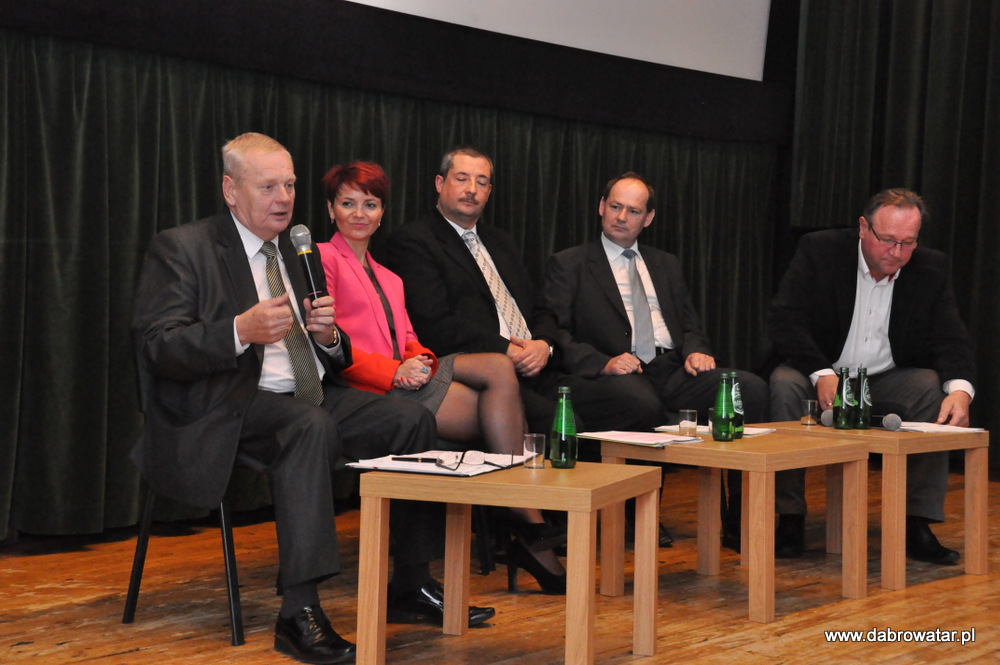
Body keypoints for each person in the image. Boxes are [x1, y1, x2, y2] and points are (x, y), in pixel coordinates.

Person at [131, 133, 493, 665]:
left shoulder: (297, 251)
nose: (283, 199)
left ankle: (410, 584)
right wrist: (238, 330)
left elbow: (332, 351)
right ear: (230, 190)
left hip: (308, 394)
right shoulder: (184, 247)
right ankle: (298, 612)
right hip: (228, 402)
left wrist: (328, 338)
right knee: (308, 426)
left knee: (410, 420)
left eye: (290, 185)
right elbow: (157, 346)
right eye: (268, 187)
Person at [386, 148, 671, 546]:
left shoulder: (500, 241)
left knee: (635, 402)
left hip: (539, 367)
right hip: (485, 376)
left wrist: (544, 344)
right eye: (462, 179)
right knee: (564, 422)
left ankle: (627, 516)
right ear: (440, 183)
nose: (471, 190)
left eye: (482, 182)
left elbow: (540, 309)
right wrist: (507, 351)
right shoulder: (413, 241)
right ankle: (555, 527)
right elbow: (436, 323)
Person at [316, 160, 566, 593]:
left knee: (499, 370)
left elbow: (410, 338)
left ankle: (523, 518)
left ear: (382, 212)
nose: (360, 214)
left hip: (409, 376)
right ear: (330, 210)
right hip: (366, 387)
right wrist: (396, 371)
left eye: (370, 205)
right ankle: (527, 520)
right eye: (348, 204)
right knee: (501, 407)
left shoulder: (389, 276)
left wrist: (420, 361)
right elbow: (331, 344)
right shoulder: (323, 259)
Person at [539, 172, 769, 547]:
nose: (621, 217)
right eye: (615, 206)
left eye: (633, 211)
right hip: (615, 371)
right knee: (641, 403)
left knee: (748, 389)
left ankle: (742, 521)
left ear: (648, 218)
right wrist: (602, 362)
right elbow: (555, 332)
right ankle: (641, 514)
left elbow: (690, 324)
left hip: (671, 368)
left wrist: (696, 350)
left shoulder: (666, 264)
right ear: (601, 207)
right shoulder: (570, 263)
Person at [768, 188, 976, 564]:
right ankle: (790, 517)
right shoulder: (821, 250)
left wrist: (960, 390)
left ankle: (916, 522)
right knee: (784, 384)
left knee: (931, 389)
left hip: (882, 376)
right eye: (888, 240)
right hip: (819, 368)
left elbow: (950, 335)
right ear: (864, 228)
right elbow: (786, 318)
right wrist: (821, 373)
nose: (897, 252)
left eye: (908, 243)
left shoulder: (931, 268)